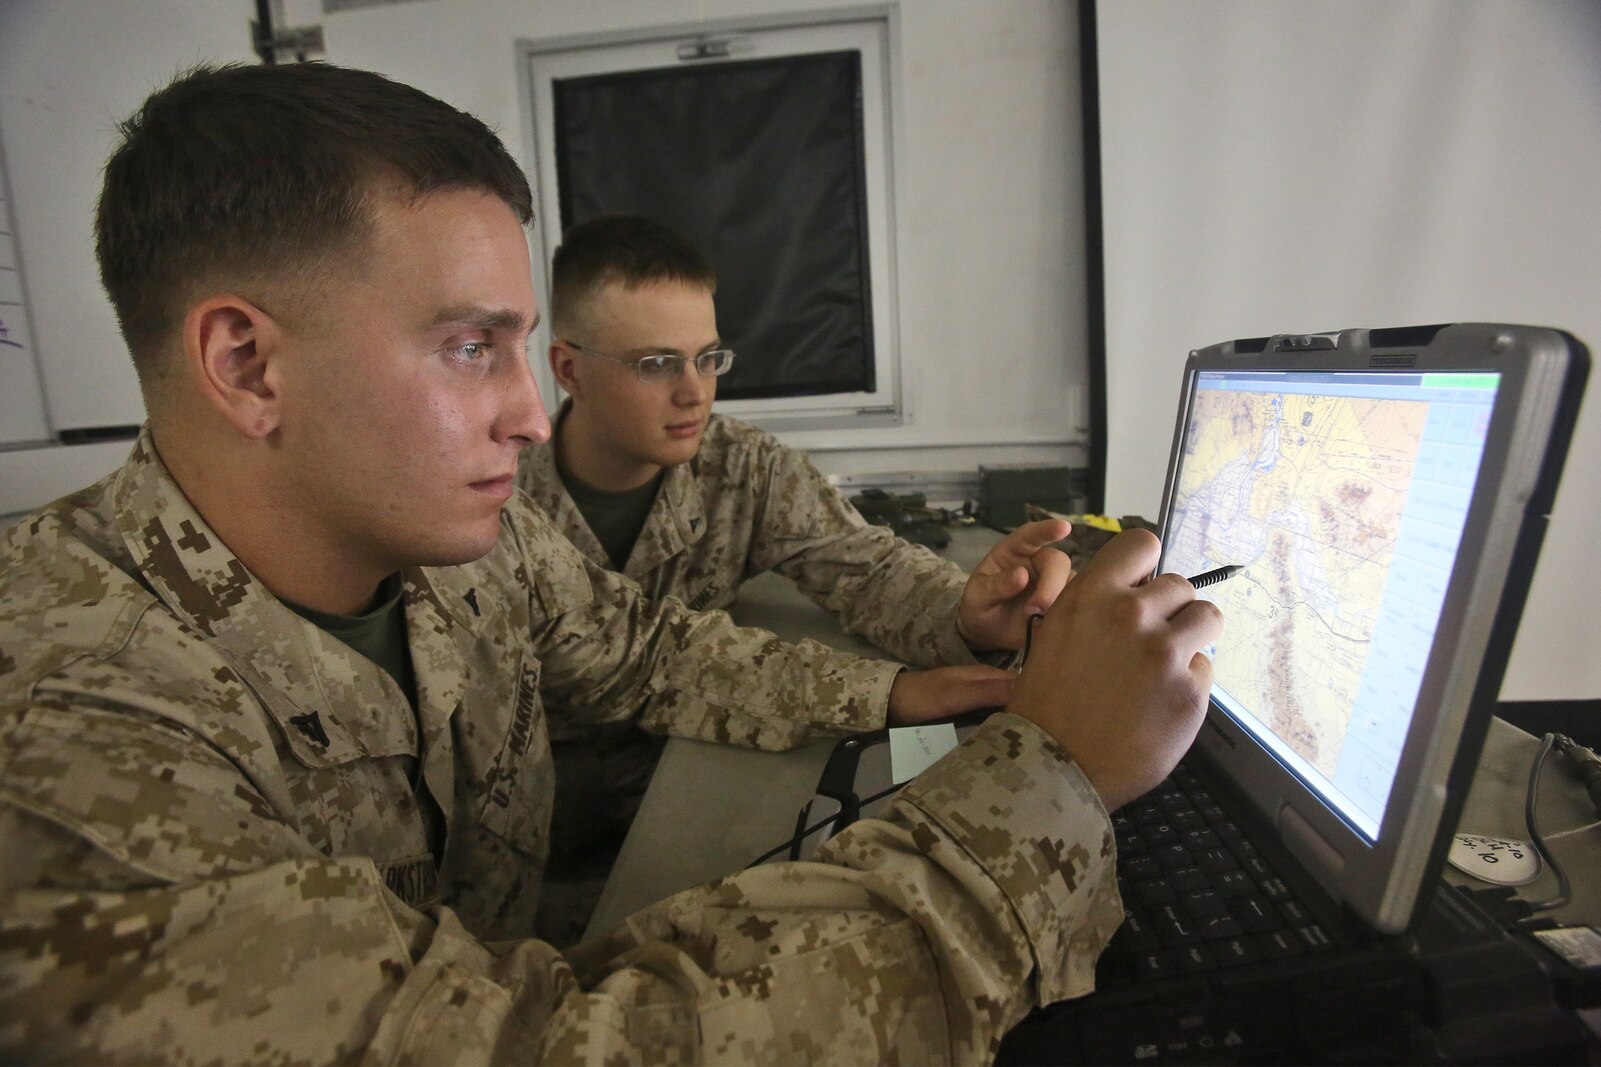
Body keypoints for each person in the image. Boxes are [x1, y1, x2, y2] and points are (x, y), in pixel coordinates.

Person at [0, 61, 1222, 1064]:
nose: (530, 417)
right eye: (472, 347)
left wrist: (903, 691)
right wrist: (1049, 782)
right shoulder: (68, 731)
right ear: (248, 365)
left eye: (522, 348)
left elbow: (642, 648)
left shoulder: (455, 543)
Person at [520, 214, 1079, 936]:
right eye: (656, 364)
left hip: (689, 772)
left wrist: (963, 611)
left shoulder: (740, 467)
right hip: (545, 831)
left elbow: (864, 566)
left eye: (707, 357)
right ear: (569, 368)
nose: (694, 393)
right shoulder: (498, 501)